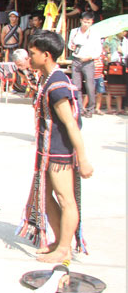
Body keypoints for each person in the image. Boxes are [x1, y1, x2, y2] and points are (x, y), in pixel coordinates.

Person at [18, 32, 93, 263]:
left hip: (58, 152)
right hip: (46, 151)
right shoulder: (47, 79)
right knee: (45, 197)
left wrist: (83, 158)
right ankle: (61, 240)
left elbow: (71, 123)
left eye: (32, 54)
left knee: (65, 199)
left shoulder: (58, 83)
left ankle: (64, 249)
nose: (29, 58)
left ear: (46, 55)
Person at [68, 11, 101, 118]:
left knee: (90, 86)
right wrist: (72, 47)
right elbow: (69, 45)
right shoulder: (74, 32)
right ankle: (80, 108)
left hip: (88, 61)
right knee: (77, 86)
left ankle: (91, 109)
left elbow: (98, 51)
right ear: (81, 21)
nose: (86, 24)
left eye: (88, 22)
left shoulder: (95, 34)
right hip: (76, 60)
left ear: (91, 22)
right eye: (84, 22)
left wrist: (90, 57)